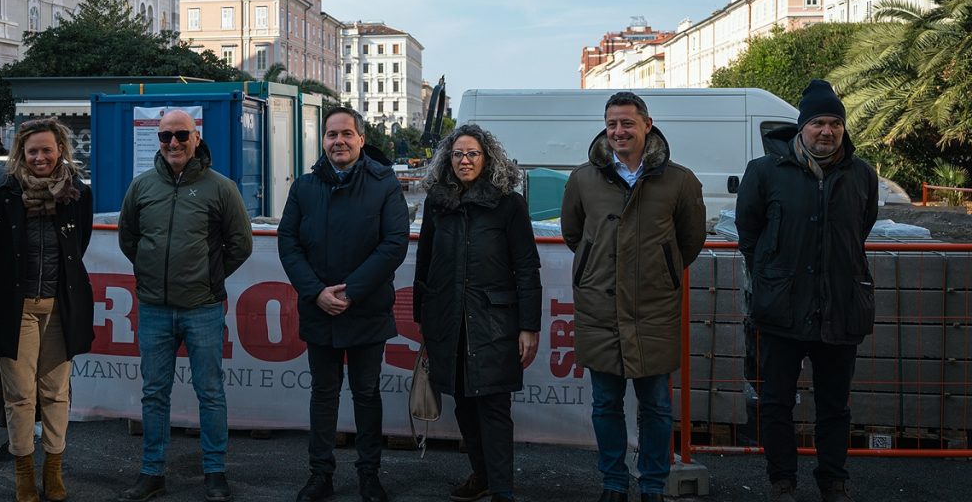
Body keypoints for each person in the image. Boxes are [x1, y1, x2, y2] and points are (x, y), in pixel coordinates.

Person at [735, 79, 878, 502]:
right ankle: (783, 480)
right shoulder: (765, 172)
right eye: (818, 122)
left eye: (835, 122)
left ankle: (833, 480)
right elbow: (749, 234)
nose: (827, 131)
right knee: (777, 402)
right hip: (783, 310)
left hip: (840, 308)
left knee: (835, 406)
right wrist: (769, 278)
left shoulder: (861, 175)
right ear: (802, 127)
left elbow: (861, 227)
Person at [560, 91, 706, 502]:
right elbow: (575, 235)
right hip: (599, 306)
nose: (619, 131)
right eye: (612, 124)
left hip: (653, 307)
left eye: (627, 123)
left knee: (656, 404)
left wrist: (657, 268)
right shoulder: (583, 179)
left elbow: (689, 242)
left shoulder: (679, 180)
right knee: (605, 403)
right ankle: (613, 481)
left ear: (647, 124)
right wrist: (595, 264)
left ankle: (654, 483)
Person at [118, 109, 253, 502]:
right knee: (154, 393)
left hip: (202, 308)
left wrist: (208, 279)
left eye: (180, 135)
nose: (173, 143)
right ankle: (152, 471)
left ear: (196, 138)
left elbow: (241, 244)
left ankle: (215, 473)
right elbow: (129, 239)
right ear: (158, 141)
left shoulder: (220, 188)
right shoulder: (141, 187)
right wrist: (149, 272)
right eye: (165, 137)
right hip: (155, 309)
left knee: (210, 392)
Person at [278, 107, 409, 502]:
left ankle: (369, 474)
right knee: (324, 393)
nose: (340, 141)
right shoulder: (303, 187)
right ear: (324, 141)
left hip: (366, 310)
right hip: (319, 309)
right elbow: (289, 242)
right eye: (332, 134)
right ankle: (321, 475)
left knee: (367, 395)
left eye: (347, 134)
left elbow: (394, 244)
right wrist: (316, 292)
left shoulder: (385, 184)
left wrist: (351, 291)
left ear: (361, 139)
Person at [413, 124, 542, 502]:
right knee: (464, 406)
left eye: (472, 154)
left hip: (494, 322)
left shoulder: (508, 203)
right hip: (448, 320)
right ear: (447, 160)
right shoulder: (437, 203)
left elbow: (526, 267)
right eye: (457, 154)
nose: (464, 160)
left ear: (488, 159)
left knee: (494, 409)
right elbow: (425, 262)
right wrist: (424, 319)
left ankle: (502, 489)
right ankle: (482, 476)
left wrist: (528, 326)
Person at [0, 118, 94, 502]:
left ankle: (54, 469)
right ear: (21, 154)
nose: (40, 157)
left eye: (47, 149)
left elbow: (81, 243)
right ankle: (24, 472)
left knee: (56, 392)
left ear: (60, 149)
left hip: (62, 306)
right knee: (20, 395)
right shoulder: (3, 193)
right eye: (33, 151)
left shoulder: (78, 193)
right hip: (17, 308)